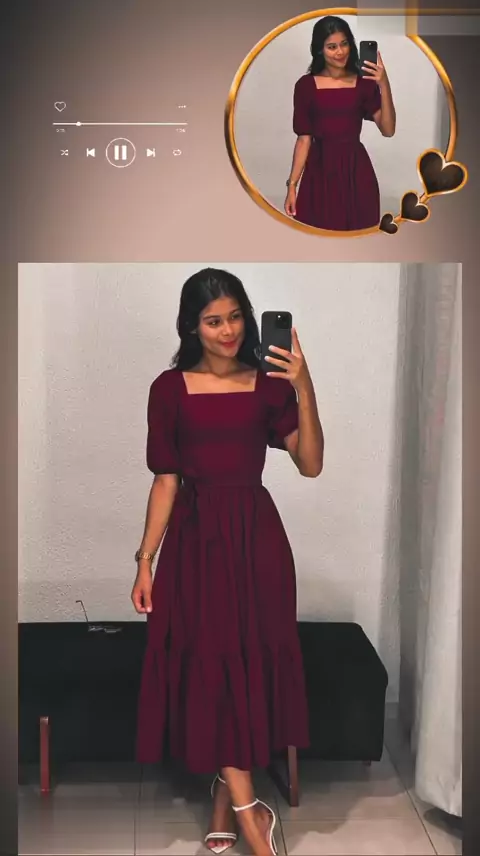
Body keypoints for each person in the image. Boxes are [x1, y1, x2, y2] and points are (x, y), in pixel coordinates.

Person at [132, 268, 324, 856]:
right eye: (214, 320)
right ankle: (252, 817)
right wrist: (145, 560)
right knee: (211, 664)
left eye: (236, 316)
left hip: (256, 541)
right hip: (195, 544)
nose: (229, 330)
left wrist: (304, 386)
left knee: (245, 664)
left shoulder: (268, 386)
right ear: (191, 326)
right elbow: (166, 480)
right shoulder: (169, 389)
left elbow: (311, 464)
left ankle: (226, 799)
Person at [284, 15, 396, 232]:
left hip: (356, 171)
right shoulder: (305, 86)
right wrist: (292, 185)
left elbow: (388, 130)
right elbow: (304, 139)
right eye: (332, 47)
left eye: (344, 44)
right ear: (319, 50)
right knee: (317, 235)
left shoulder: (364, 84)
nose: (340, 52)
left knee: (359, 237)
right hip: (319, 171)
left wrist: (384, 84)